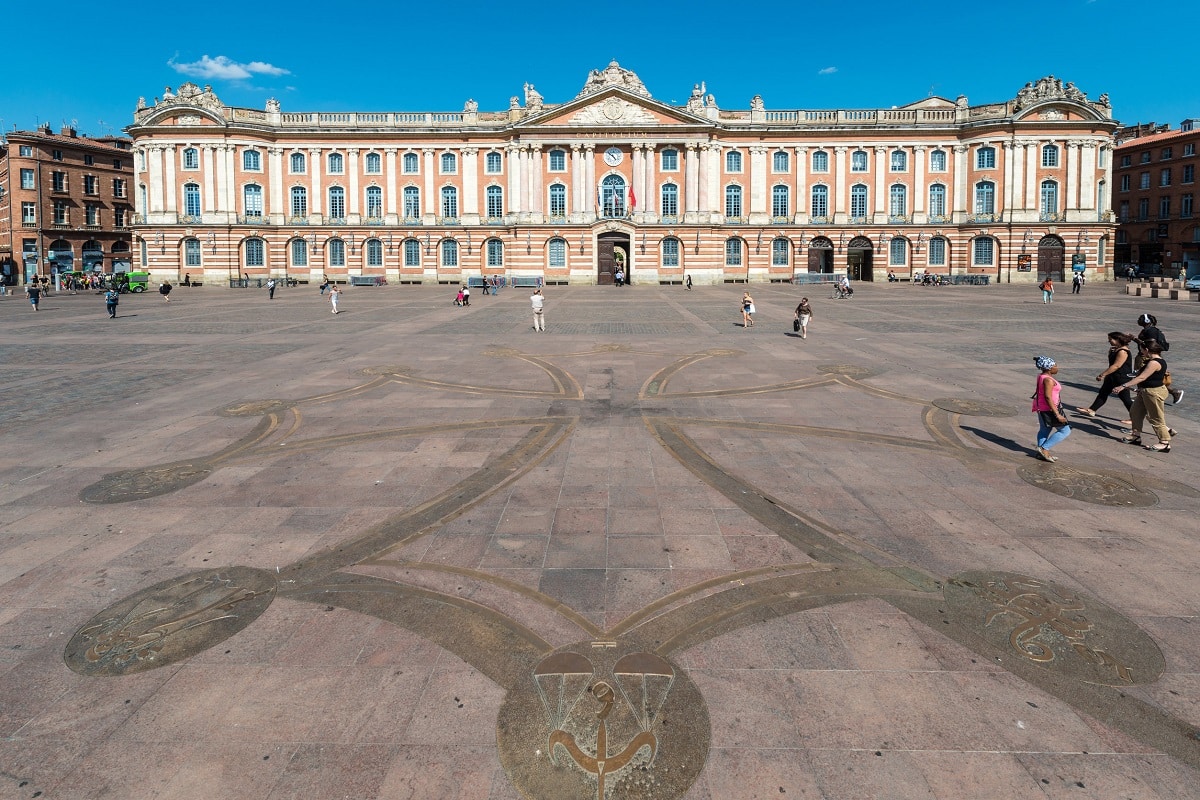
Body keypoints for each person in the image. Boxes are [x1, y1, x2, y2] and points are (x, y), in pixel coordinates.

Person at [1115, 340, 1171, 452]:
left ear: (1147, 350)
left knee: (1156, 418)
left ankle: (1164, 442)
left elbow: (1142, 377)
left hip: (1153, 392)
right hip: (1145, 391)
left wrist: (1123, 386)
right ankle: (1135, 436)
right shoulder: (1153, 361)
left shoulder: (1154, 362)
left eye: (1141, 350)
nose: (1141, 352)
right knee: (1135, 412)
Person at [1076, 332, 1136, 420]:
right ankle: (1092, 410)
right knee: (1103, 393)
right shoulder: (1115, 349)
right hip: (1112, 376)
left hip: (1121, 378)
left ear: (1117, 340)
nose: (1109, 341)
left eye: (1110, 339)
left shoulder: (1123, 351)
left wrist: (1102, 374)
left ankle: (1135, 417)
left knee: (1125, 398)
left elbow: (1116, 366)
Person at [1135, 312, 1182, 404]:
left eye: (1141, 319)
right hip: (1146, 355)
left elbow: (1149, 344)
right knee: (1151, 377)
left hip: (1147, 357)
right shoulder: (1147, 330)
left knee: (1144, 376)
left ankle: (1142, 395)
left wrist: (1135, 339)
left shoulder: (1151, 331)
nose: (1139, 321)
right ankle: (1174, 392)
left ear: (1147, 321)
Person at [1031, 355, 1070, 462]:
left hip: (1041, 407)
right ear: (1049, 368)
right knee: (1065, 430)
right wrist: (1057, 414)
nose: (1057, 368)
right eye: (1055, 365)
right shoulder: (1048, 380)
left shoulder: (1042, 376)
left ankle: (1040, 453)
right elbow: (1048, 396)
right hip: (1049, 409)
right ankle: (1044, 449)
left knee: (1045, 429)